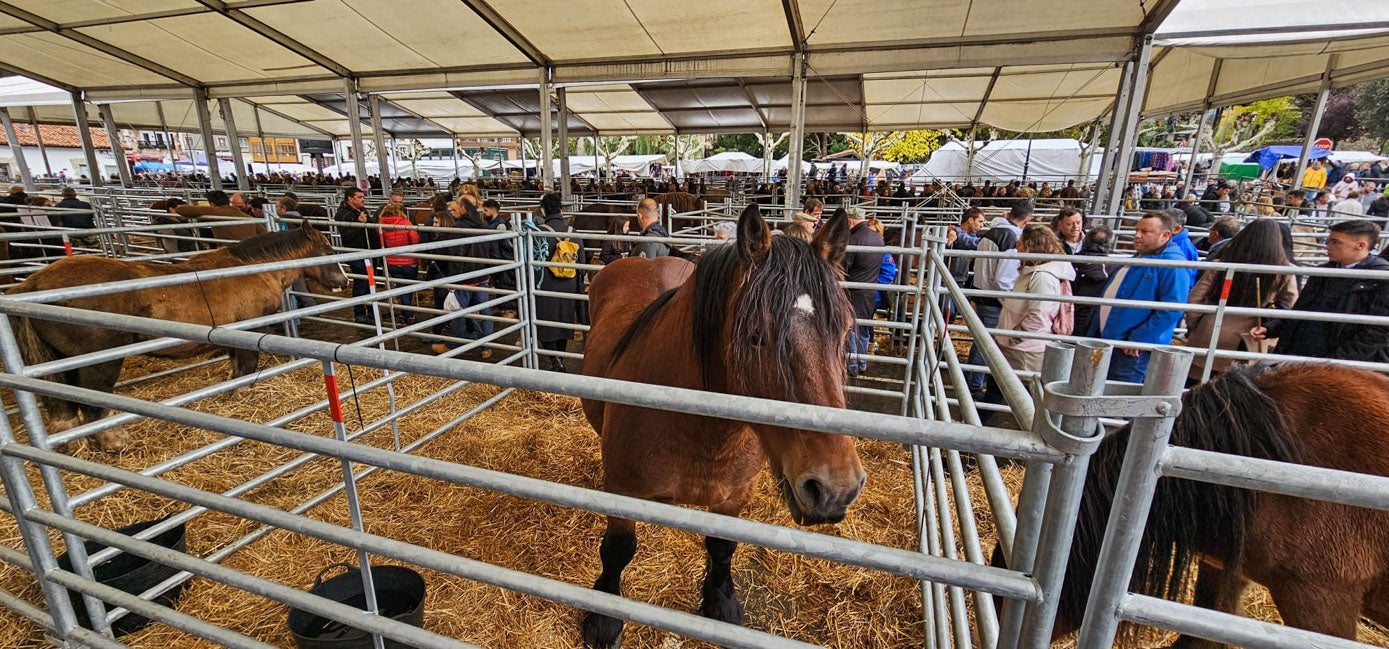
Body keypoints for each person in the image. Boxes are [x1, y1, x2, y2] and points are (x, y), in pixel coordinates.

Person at [1251, 219, 1389, 363]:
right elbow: (1301, 309)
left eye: (1335, 242)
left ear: (1360, 245)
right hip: (1301, 352)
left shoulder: (1380, 278)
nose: (1327, 247)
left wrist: (1336, 361)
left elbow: (1377, 332)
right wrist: (1271, 328)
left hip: (1337, 365)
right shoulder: (1324, 272)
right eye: (1328, 241)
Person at [1184, 219, 1299, 383]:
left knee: (1197, 387)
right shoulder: (1284, 270)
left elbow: (1196, 298)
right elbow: (1290, 304)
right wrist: (1269, 328)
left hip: (1212, 331)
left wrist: (1195, 325)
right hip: (1251, 337)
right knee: (1236, 390)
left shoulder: (1223, 264)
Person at [1094, 211, 1191, 383]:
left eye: (1145, 232)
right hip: (1115, 340)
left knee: (1120, 396)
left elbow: (1172, 310)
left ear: (1166, 235)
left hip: (1132, 349)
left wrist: (1139, 338)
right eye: (1136, 230)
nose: (1137, 236)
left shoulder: (1172, 263)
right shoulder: (1144, 255)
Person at [964, 201, 1032, 396]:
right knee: (987, 344)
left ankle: (972, 380)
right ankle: (975, 384)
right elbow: (1003, 279)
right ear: (1027, 220)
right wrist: (1011, 302)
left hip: (982, 291)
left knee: (982, 341)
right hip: (994, 298)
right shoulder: (1011, 238)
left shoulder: (991, 232)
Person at [996, 225, 1075, 374]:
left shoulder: (1043, 277)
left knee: (1017, 392)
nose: (1017, 248)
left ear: (1032, 247)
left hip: (1025, 350)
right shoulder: (1032, 272)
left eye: (1021, 244)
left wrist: (1014, 337)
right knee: (1001, 387)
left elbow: (1038, 317)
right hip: (1014, 345)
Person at [534, 192, 580, 372]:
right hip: (568, 285)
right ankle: (561, 359)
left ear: (544, 210)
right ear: (561, 210)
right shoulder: (573, 232)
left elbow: (534, 263)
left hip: (546, 285)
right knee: (564, 323)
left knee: (547, 324)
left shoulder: (538, 233)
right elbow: (582, 260)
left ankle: (555, 362)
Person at [842, 206, 884, 377]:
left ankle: (852, 365)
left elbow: (844, 267)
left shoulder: (853, 240)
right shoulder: (877, 238)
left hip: (853, 290)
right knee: (864, 327)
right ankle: (862, 362)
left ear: (850, 221)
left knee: (851, 328)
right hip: (870, 290)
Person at [334, 187, 380, 324]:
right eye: (359, 197)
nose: (362, 199)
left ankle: (372, 309)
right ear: (350, 199)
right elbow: (347, 236)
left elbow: (371, 227)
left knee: (370, 281)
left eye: (363, 197)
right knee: (361, 282)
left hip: (369, 251)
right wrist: (359, 224)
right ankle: (359, 311)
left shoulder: (362, 211)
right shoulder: (342, 215)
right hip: (355, 252)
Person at [377, 203, 420, 325]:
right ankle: (409, 315)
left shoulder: (381, 226)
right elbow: (415, 240)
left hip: (392, 262)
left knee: (401, 288)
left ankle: (403, 314)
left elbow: (381, 243)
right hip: (409, 261)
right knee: (408, 288)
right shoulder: (406, 223)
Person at [1071, 225, 1113, 338]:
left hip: (1069, 313)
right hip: (1096, 318)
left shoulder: (1071, 262)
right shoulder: (1113, 268)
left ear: (1085, 241)